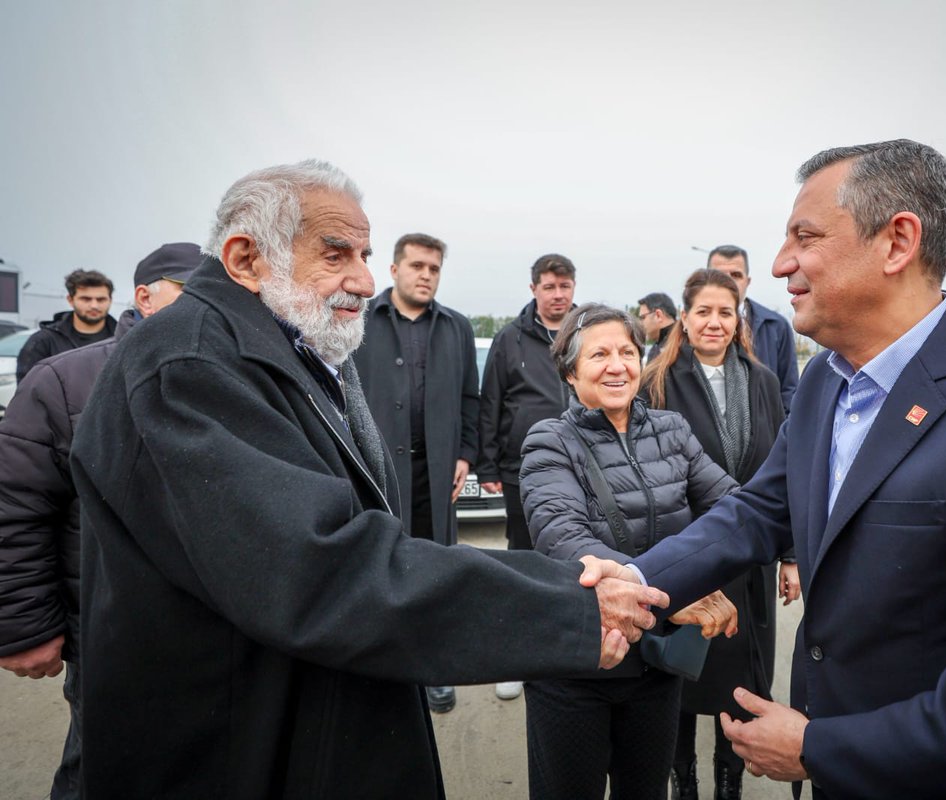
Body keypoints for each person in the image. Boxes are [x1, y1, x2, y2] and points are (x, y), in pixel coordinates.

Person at [68, 160, 669, 799]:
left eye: (365, 254)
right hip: (228, 751)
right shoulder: (187, 365)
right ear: (246, 259)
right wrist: (568, 606)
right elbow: (323, 568)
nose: (362, 277)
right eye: (335, 254)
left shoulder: (287, 344)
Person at [583, 139, 946, 799]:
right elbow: (757, 512)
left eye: (805, 237)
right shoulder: (824, 386)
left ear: (897, 242)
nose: (781, 264)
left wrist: (817, 747)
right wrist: (639, 579)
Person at [0, 242, 200, 800]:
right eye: (190, 293)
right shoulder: (61, 380)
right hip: (107, 628)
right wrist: (25, 627)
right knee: (101, 766)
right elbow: (15, 509)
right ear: (145, 297)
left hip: (209, 632)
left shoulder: (230, 377)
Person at [519, 302, 739, 800]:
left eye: (626, 351)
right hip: (579, 664)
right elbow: (562, 537)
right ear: (572, 372)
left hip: (657, 669)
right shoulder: (549, 442)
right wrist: (670, 591)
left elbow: (733, 507)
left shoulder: (672, 431)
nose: (617, 365)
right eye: (599, 354)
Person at [641, 268, 792, 800]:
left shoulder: (762, 380)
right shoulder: (655, 381)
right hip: (687, 556)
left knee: (739, 682)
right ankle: (683, 781)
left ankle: (730, 781)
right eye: (703, 311)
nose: (713, 321)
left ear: (738, 319)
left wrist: (790, 554)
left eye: (724, 312)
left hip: (751, 561)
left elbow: (784, 469)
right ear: (684, 317)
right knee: (680, 674)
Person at [353, 231, 478, 714]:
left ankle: (434, 672)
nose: (426, 275)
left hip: (437, 469)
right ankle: (388, 671)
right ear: (393, 270)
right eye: (417, 266)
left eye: (434, 268)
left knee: (434, 570)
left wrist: (466, 453)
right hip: (377, 468)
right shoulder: (360, 318)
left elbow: (471, 396)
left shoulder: (456, 327)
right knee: (380, 566)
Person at [477, 252, 577, 699]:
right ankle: (517, 656)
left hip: (582, 467)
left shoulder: (586, 330)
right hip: (523, 472)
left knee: (577, 560)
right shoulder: (510, 339)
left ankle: (572, 645)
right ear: (534, 288)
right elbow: (490, 404)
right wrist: (489, 464)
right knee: (522, 559)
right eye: (550, 286)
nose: (558, 295)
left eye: (565, 286)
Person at [707, 245, 799, 409]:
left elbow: (789, 391)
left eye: (736, 275)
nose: (728, 282)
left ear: (747, 281)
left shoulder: (776, 326)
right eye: (719, 275)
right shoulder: (690, 329)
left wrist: (780, 430)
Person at [16, 269, 117, 382]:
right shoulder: (44, 341)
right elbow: (28, 390)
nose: (94, 305)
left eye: (101, 299)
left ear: (110, 300)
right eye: (86, 299)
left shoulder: (124, 339)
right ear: (70, 300)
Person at [636, 291, 677, 362]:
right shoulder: (657, 347)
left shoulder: (680, 347)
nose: (640, 323)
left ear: (658, 315)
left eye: (643, 317)